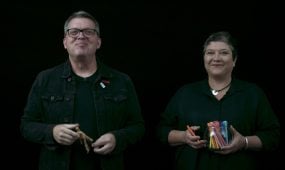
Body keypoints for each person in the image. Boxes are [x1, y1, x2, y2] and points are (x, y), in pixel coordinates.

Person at [20, 10, 145, 170]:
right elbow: (26, 125)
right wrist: (52, 132)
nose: (81, 36)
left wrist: (117, 138)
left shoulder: (121, 81)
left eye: (88, 31)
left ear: (98, 42)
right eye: (73, 32)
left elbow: (138, 126)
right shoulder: (45, 79)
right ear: (65, 42)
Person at [156, 31, 280, 170]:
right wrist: (184, 137)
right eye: (210, 53)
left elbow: (273, 135)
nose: (216, 58)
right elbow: (162, 130)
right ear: (204, 59)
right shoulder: (186, 93)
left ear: (234, 60)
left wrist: (244, 142)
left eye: (223, 53)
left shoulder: (252, 93)